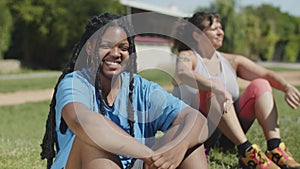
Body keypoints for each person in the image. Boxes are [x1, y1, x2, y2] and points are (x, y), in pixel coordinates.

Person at [40, 12, 209, 169]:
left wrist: (179, 146)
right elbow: (82, 121)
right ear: (90, 47)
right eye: (106, 45)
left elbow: (196, 120)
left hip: (136, 164)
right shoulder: (75, 82)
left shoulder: (140, 88)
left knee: (188, 138)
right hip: (83, 163)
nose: (115, 53)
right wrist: (148, 154)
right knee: (91, 142)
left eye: (123, 47)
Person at [172, 11, 300, 169]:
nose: (220, 32)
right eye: (214, 29)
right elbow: (182, 73)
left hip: (228, 135)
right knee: (213, 90)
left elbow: (266, 74)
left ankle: (275, 147)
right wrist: (215, 86)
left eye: (221, 27)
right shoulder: (188, 56)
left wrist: (286, 87)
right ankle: (247, 152)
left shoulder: (232, 61)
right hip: (199, 135)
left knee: (261, 84)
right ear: (197, 35)